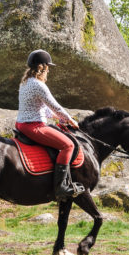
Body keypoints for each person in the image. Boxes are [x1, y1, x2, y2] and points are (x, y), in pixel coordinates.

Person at [15, 49, 85, 198]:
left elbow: (45, 109)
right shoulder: (38, 85)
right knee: (68, 145)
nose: (49, 70)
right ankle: (60, 188)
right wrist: (70, 119)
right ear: (42, 67)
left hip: (23, 124)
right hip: (33, 126)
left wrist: (59, 118)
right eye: (48, 67)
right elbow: (55, 106)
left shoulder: (26, 82)